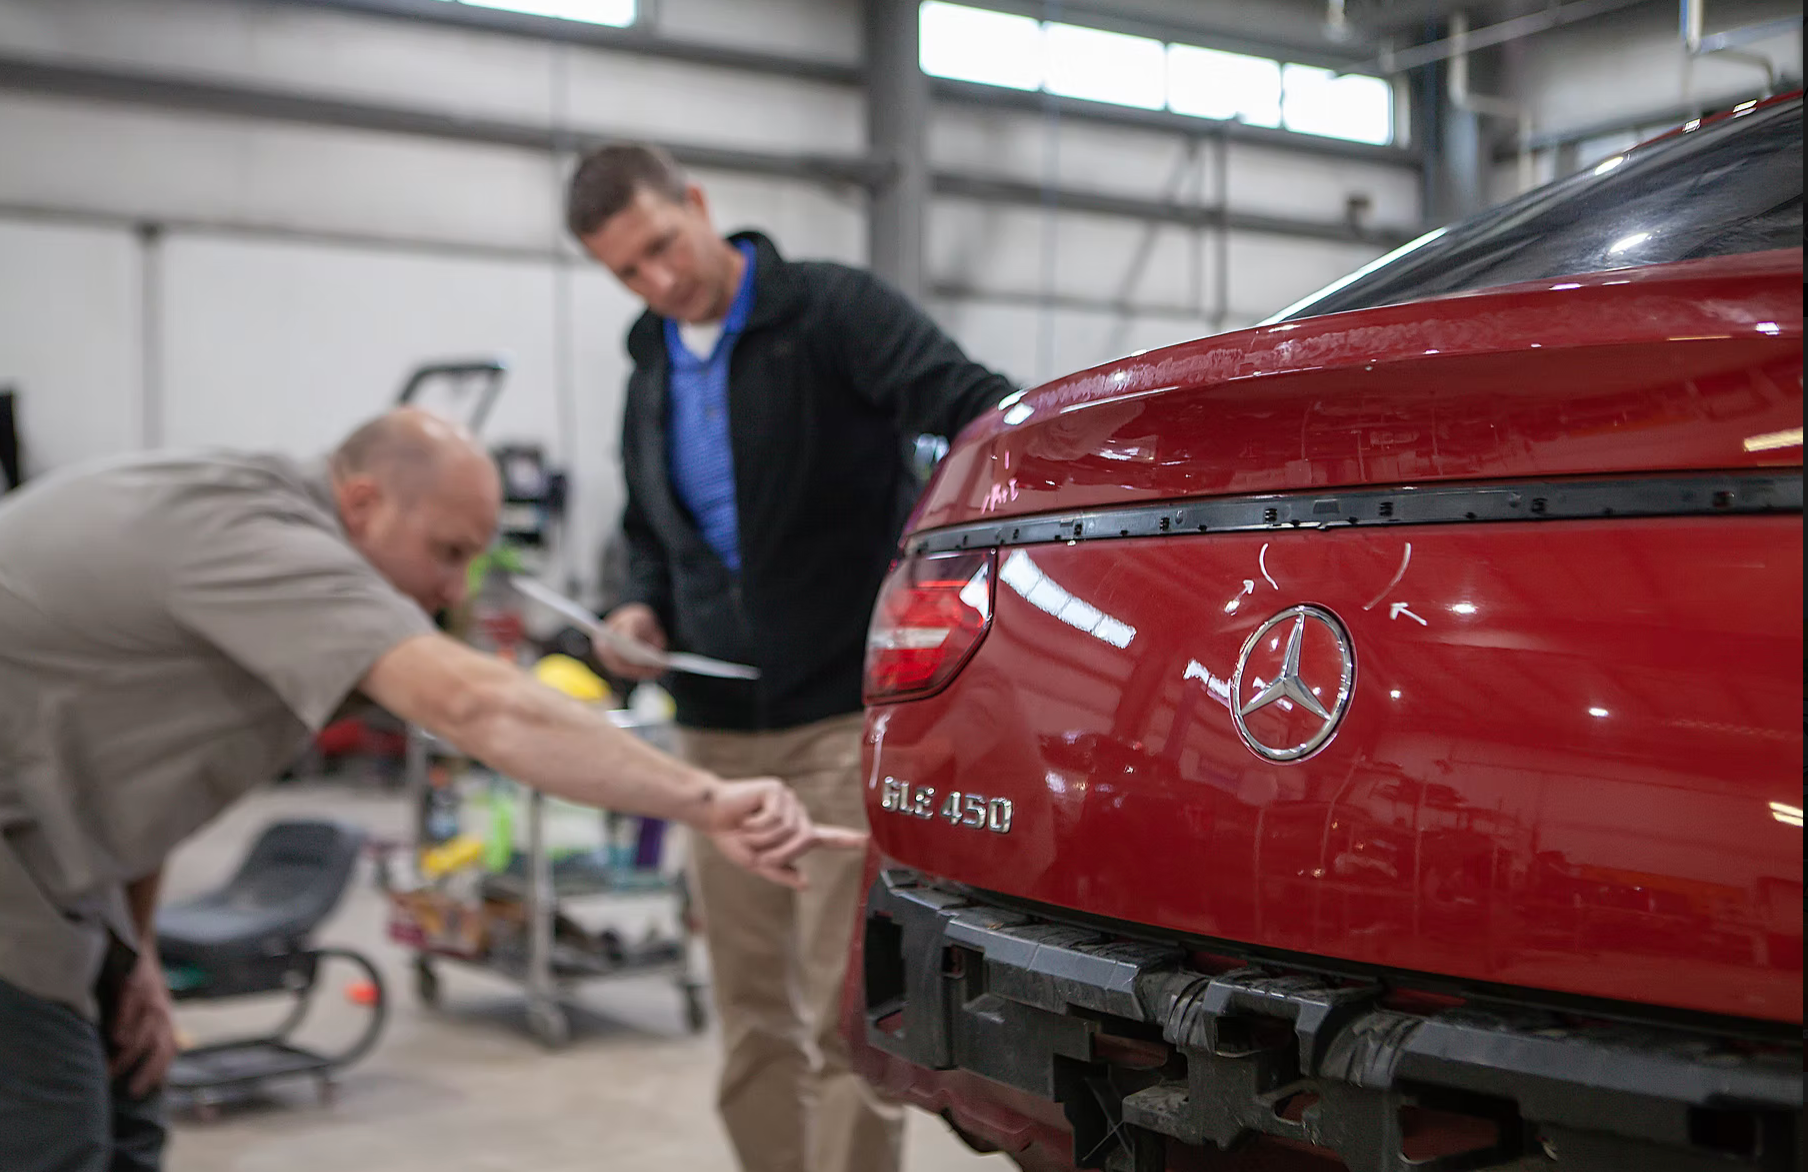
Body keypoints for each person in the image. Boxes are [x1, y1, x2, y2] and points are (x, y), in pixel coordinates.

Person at [0, 408, 860, 1172]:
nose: (454, 590)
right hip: (17, 864)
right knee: (54, 1127)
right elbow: (474, 704)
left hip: (65, 863)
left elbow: (143, 776)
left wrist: (137, 953)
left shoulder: (260, 517)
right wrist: (706, 801)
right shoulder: (256, 537)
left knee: (129, 1104)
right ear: (365, 502)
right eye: (446, 553)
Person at [566, 144, 1015, 1172]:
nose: (657, 281)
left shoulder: (829, 312)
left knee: (840, 1011)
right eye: (625, 272)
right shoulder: (647, 363)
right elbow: (647, 523)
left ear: (696, 203)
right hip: (712, 734)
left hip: (835, 719)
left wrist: (945, 584)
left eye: (662, 248)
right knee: (752, 1013)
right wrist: (637, 605)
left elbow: (979, 411)